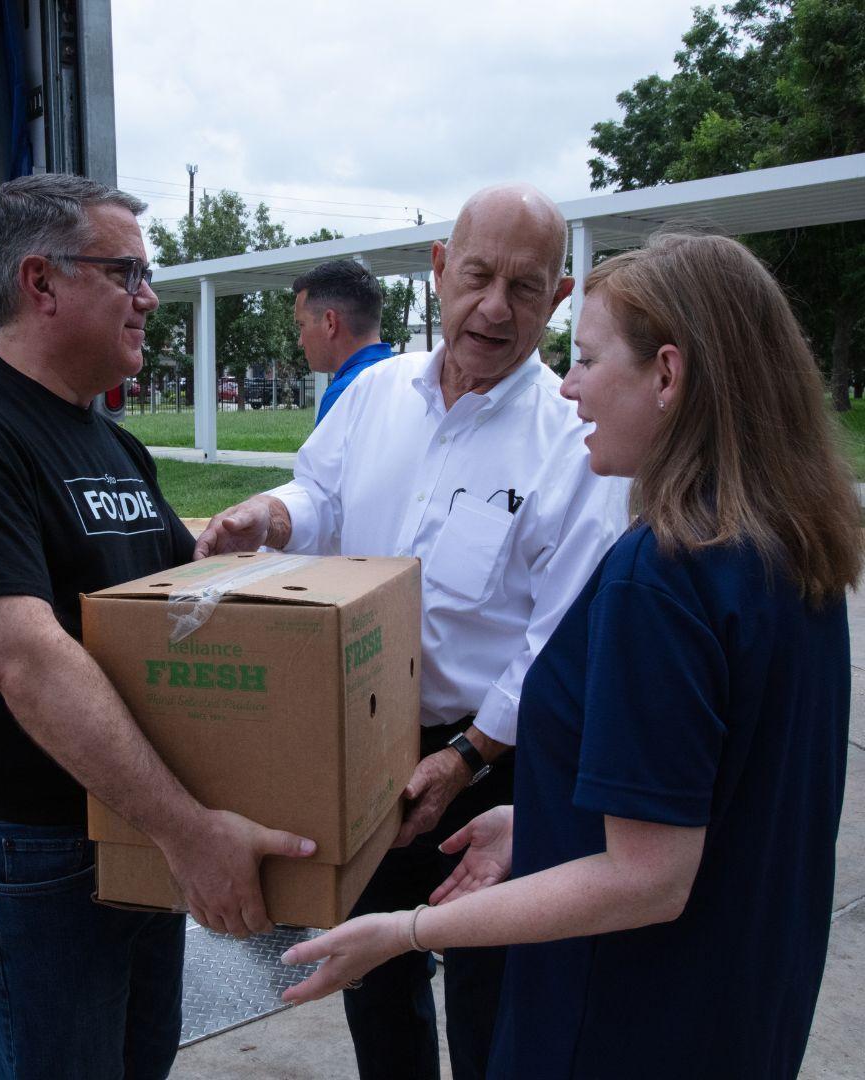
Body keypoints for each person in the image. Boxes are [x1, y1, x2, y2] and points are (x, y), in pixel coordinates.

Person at [279, 232, 861, 1080]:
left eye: (586, 359)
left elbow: (647, 879)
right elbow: (724, 792)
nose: (571, 386)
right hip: (740, 1003)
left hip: (628, 1018)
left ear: (668, 375)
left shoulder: (662, 575)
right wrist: (542, 824)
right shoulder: (785, 543)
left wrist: (406, 932)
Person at [0, 173, 315, 1080]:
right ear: (43, 282)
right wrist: (188, 830)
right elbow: (27, 659)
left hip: (121, 825)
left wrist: (238, 545)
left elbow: (164, 606)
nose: (150, 299)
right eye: (129, 273)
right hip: (22, 853)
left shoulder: (109, 442)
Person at [194, 184, 627, 1079]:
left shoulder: (570, 437)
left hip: (492, 771)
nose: (495, 308)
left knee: (490, 993)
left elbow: (558, 634)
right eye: (476, 276)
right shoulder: (378, 393)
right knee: (370, 972)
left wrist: (468, 755)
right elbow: (321, 495)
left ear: (559, 297)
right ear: (437, 272)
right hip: (363, 743)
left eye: (526, 286)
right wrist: (266, 517)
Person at [292, 258, 393, 424]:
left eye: (302, 325)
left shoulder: (345, 394)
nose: (300, 341)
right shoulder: (410, 381)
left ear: (330, 322)